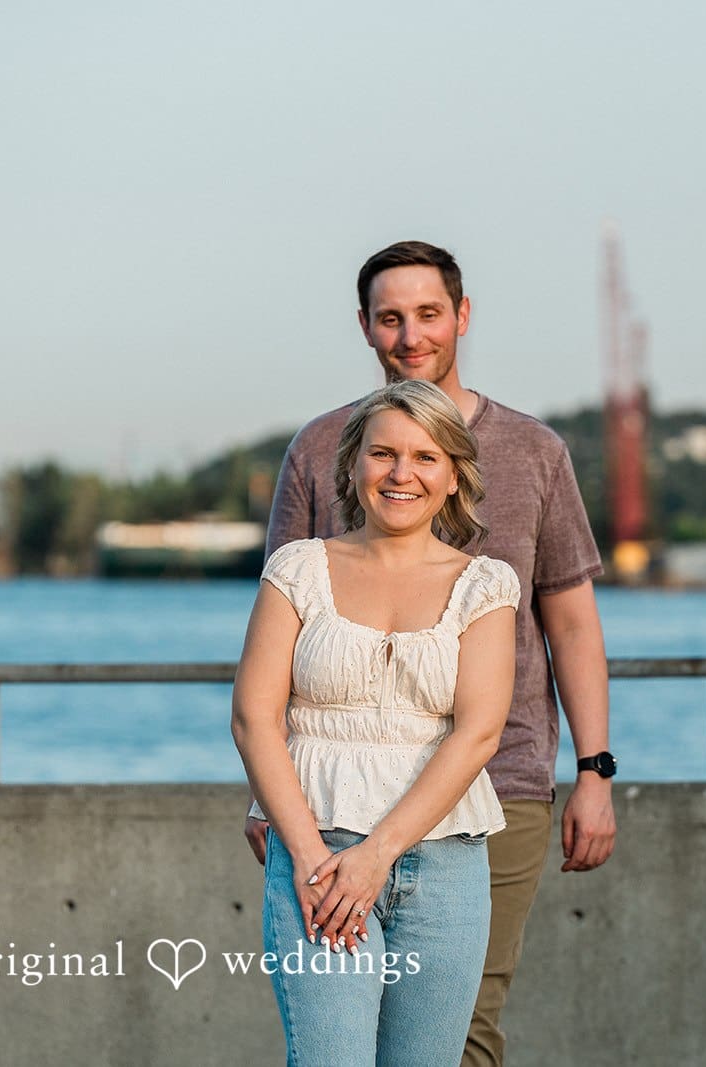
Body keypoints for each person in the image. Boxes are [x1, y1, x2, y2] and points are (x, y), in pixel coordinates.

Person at [248, 240, 618, 1067]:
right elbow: (279, 643)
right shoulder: (317, 448)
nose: (411, 335)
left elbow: (572, 623)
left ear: (462, 316)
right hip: (326, 794)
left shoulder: (535, 450)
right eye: (391, 317)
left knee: (464, 1034)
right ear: (366, 328)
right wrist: (271, 803)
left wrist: (595, 768)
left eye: (427, 314)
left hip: (501, 781)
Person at [233, 380, 520, 1066]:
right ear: (353, 464)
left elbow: (478, 732)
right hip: (317, 857)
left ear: (454, 475)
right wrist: (307, 858)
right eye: (382, 452)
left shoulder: (486, 585)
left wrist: (377, 855)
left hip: (445, 867)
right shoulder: (299, 568)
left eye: (425, 456)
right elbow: (253, 716)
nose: (402, 473)